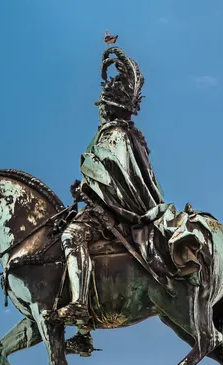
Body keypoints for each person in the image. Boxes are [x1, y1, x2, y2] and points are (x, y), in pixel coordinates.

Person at [55, 46, 165, 326]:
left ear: (110, 106)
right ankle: (82, 328)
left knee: (71, 235)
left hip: (116, 211)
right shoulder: (125, 133)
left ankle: (79, 305)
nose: (99, 108)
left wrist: (88, 189)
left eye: (101, 104)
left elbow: (113, 174)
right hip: (111, 205)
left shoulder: (115, 133)